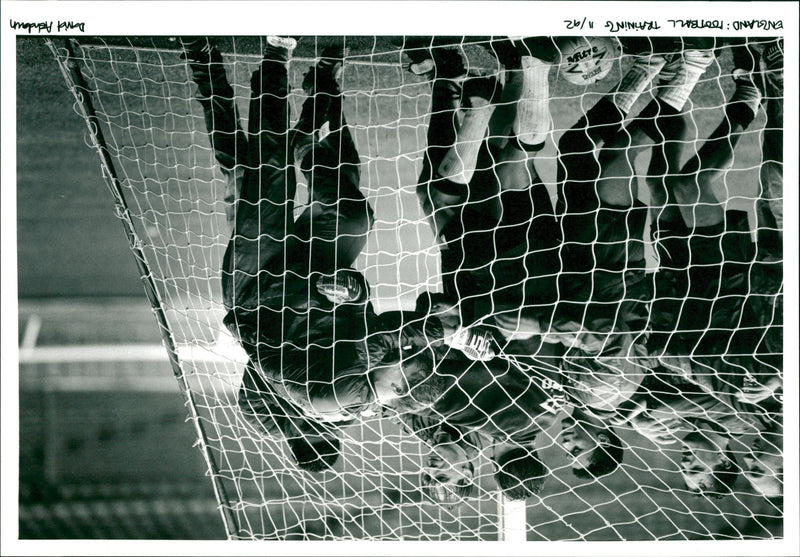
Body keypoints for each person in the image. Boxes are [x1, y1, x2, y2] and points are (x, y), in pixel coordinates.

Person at [185, 37, 485, 425]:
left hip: (261, 288)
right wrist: (456, 332)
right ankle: (318, 104)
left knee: (260, 172)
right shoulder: (371, 380)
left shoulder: (341, 395)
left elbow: (376, 342)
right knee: (352, 214)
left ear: (397, 390)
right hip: (313, 274)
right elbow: (372, 320)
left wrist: (445, 335)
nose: (398, 359)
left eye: (402, 366)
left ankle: (265, 58)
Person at [238, 362, 348, 472]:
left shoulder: (260, 418)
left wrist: (305, 408)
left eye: (309, 425)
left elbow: (257, 369)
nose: (317, 419)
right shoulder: (344, 417)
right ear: (336, 433)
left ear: (291, 435)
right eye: (327, 426)